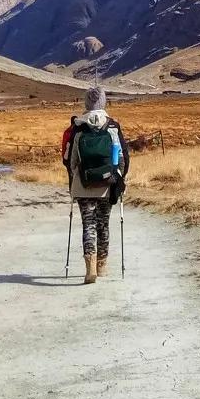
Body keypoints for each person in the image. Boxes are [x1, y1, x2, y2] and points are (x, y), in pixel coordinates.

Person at [62, 87, 129, 284]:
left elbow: (70, 160)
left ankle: (89, 266)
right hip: (107, 184)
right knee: (103, 224)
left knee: (88, 224)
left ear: (86, 103)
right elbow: (123, 158)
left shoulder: (78, 128)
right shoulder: (112, 127)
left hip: (83, 184)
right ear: (103, 102)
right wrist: (119, 178)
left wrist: (75, 179)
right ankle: (102, 265)